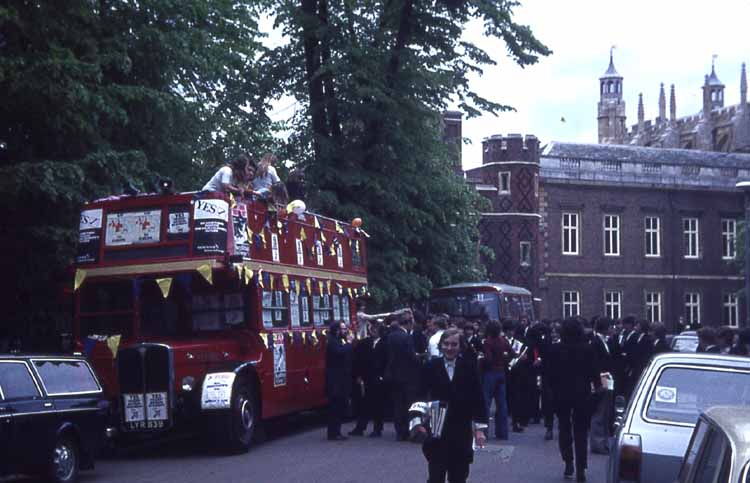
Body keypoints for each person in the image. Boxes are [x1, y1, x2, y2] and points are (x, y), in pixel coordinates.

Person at [418, 329, 488, 483]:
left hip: (461, 429)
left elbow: (478, 398)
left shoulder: (469, 367)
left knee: (459, 476)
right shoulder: (431, 366)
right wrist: (418, 422)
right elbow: (420, 394)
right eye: (446, 344)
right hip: (437, 429)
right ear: (441, 345)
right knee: (436, 475)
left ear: (460, 346)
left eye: (454, 344)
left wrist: (480, 430)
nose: (449, 348)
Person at [546, 318, 601, 482]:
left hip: (561, 393)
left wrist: (551, 391)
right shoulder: (588, 349)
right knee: (581, 432)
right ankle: (581, 468)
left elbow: (549, 374)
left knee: (564, 428)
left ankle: (568, 461)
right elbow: (594, 373)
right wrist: (597, 387)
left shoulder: (555, 349)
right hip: (582, 393)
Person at [384, 313, 420, 441]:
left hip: (393, 374)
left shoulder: (390, 336)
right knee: (408, 404)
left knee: (397, 403)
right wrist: (419, 358)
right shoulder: (406, 337)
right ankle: (407, 430)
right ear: (408, 323)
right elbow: (411, 356)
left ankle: (399, 431)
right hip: (407, 375)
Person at [349, 320, 387, 437]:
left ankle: (377, 429)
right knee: (364, 404)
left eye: (376, 329)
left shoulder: (385, 343)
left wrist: (383, 376)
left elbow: (387, 360)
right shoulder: (364, 343)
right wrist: (359, 375)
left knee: (378, 404)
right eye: (372, 329)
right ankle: (360, 427)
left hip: (379, 378)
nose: (373, 331)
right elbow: (358, 360)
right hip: (366, 377)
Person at [481, 321, 512, 440]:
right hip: (501, 373)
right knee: (502, 404)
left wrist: (481, 360)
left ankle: (484, 432)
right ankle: (502, 433)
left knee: (486, 403)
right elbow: (512, 353)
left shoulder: (487, 342)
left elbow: (488, 359)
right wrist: (504, 360)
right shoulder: (504, 341)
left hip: (490, 373)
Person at [325, 321, 353, 441]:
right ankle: (334, 433)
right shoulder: (332, 342)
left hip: (339, 379)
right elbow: (340, 352)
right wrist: (349, 343)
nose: (345, 331)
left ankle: (336, 431)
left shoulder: (336, 340)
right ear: (336, 330)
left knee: (338, 406)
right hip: (335, 380)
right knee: (335, 407)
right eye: (342, 329)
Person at [589, 317, 613, 455]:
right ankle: (597, 444)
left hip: (607, 380)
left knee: (605, 413)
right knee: (599, 413)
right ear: (604, 328)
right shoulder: (596, 342)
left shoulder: (603, 341)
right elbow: (595, 364)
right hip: (601, 380)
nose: (612, 329)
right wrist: (598, 383)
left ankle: (603, 442)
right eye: (610, 326)